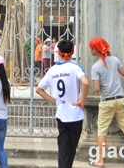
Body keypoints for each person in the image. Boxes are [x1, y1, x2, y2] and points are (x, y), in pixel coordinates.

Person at [88, 37, 124, 168]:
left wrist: (101, 84)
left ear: (95, 50)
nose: (90, 50)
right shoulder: (115, 60)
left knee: (102, 131)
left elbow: (96, 89)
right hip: (120, 99)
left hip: (106, 101)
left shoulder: (96, 67)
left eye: (91, 48)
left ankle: (100, 160)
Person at [36, 40, 89, 168]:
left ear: (58, 52)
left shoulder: (52, 70)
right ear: (72, 51)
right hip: (76, 115)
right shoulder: (76, 67)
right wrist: (82, 100)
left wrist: (55, 101)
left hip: (61, 114)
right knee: (71, 149)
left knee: (63, 149)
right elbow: (86, 83)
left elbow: (38, 89)